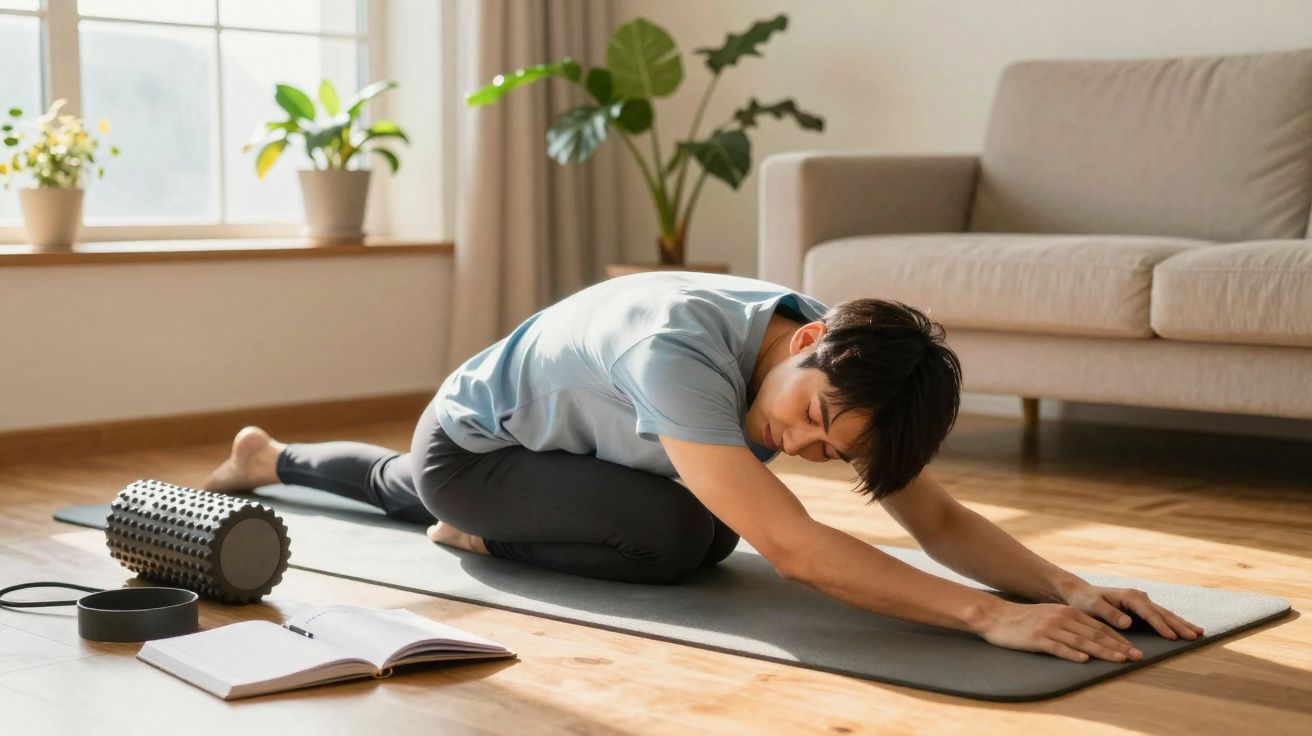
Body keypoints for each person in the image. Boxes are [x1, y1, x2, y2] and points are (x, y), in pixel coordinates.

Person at [203, 270, 1203, 664]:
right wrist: (988, 615)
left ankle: (269, 454)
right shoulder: (679, 351)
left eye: (831, 448)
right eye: (814, 421)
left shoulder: (835, 365)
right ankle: (482, 524)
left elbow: (932, 520)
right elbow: (796, 550)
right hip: (479, 447)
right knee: (693, 531)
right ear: (807, 338)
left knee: (394, 488)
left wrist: (1072, 587)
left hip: (552, 439)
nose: (809, 445)